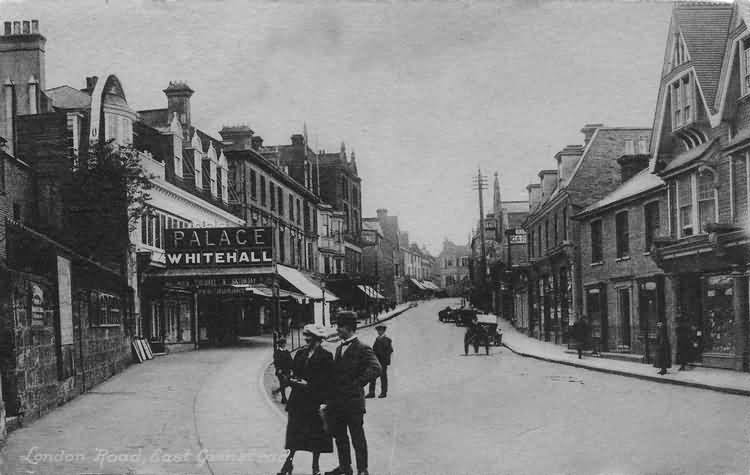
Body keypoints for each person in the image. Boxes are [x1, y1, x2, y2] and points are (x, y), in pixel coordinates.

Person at [322, 311, 381, 475]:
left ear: (348, 327)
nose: (337, 330)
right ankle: (345, 467)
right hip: (339, 403)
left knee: (357, 438)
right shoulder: (340, 347)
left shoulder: (362, 348)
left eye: (339, 326)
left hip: (354, 403)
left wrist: (358, 384)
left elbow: (376, 368)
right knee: (340, 437)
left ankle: (363, 470)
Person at [277, 324, 334, 475]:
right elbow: (293, 373)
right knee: (294, 434)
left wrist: (310, 385)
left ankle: (315, 467)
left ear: (317, 338)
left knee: (316, 435)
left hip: (314, 400)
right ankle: (288, 464)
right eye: (305, 335)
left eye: (309, 336)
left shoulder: (326, 356)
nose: (306, 338)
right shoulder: (300, 353)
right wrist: (289, 380)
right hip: (298, 401)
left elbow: (328, 381)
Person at [367, 325, 393, 399]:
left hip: (383, 361)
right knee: (372, 376)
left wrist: (386, 360)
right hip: (376, 361)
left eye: (380, 330)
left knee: (383, 377)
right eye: (378, 331)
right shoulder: (377, 339)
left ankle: (383, 392)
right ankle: (371, 393)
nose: (379, 332)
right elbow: (374, 349)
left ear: (383, 331)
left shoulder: (387, 339)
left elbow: (390, 350)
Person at [273, 338, 294, 404]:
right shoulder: (277, 352)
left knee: (287, 383)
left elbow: (291, 361)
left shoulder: (287, 352)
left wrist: (292, 368)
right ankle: (284, 399)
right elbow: (276, 362)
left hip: (287, 371)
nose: (285, 344)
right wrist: (278, 369)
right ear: (280, 344)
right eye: (283, 343)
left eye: (285, 343)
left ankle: (277, 391)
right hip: (281, 371)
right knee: (282, 384)